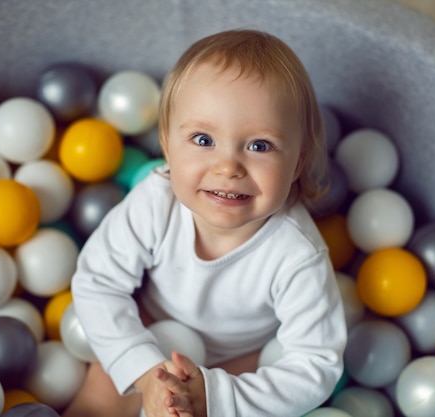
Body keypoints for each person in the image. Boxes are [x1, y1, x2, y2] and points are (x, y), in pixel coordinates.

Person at [63, 29, 347, 417]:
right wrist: (144, 370)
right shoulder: (155, 202)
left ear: (297, 163)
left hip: (236, 362)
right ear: (166, 144)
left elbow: (316, 364)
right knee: (98, 402)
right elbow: (97, 281)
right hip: (147, 328)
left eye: (259, 146)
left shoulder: (297, 254)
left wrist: (214, 395)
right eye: (202, 139)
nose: (228, 166)